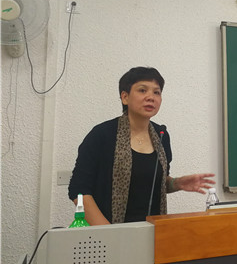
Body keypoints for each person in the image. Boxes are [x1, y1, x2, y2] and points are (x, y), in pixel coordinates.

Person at [68, 67, 215, 225]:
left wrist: (177, 183)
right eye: (142, 90)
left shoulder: (161, 135)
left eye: (156, 92)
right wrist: (108, 232)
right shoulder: (102, 135)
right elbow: (79, 189)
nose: (150, 97)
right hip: (109, 232)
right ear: (125, 97)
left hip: (153, 230)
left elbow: (154, 182)